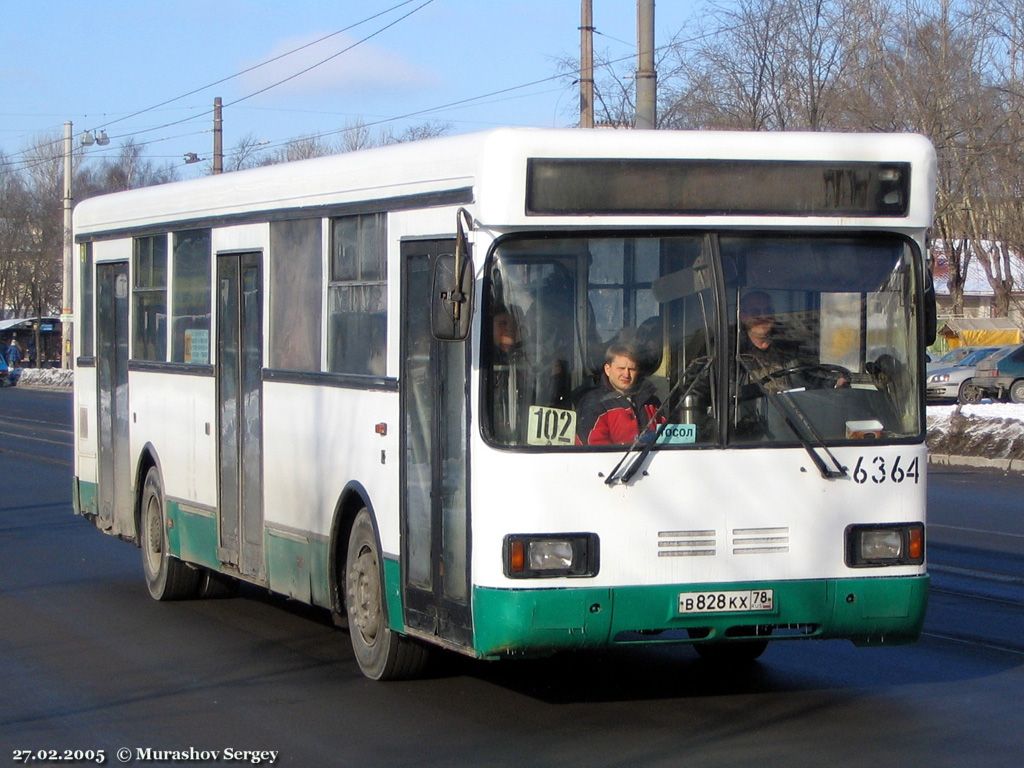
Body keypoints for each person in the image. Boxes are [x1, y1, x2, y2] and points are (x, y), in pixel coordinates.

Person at [575, 341, 664, 445]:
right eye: (621, 368)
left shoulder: (651, 402)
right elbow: (594, 450)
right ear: (608, 369)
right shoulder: (593, 404)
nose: (626, 374)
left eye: (631, 369)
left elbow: (669, 437)